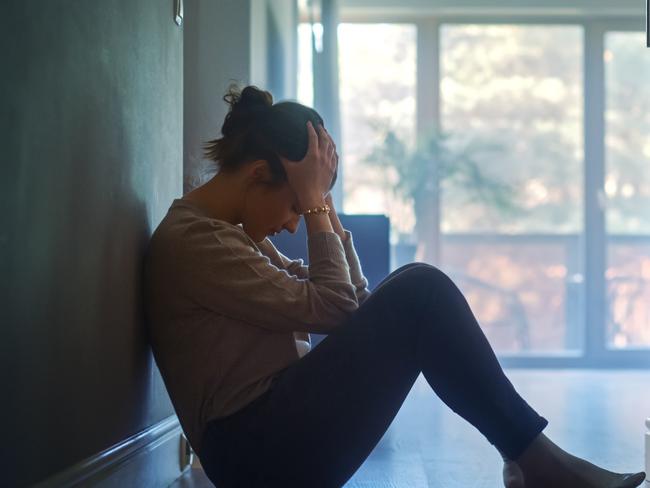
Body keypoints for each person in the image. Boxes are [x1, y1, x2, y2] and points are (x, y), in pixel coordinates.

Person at [143, 84, 646, 488]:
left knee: (415, 286)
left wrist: (323, 206)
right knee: (420, 289)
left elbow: (355, 304)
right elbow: (338, 308)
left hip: (269, 438)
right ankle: (535, 462)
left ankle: (530, 459)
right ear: (257, 175)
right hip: (256, 457)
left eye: (304, 210)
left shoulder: (231, 235)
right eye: (296, 207)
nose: (296, 224)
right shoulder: (198, 243)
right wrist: (315, 202)